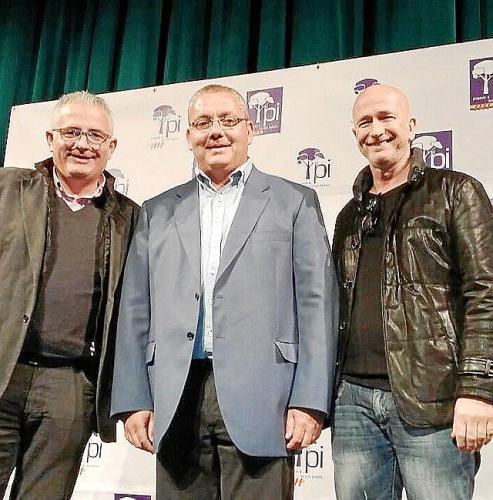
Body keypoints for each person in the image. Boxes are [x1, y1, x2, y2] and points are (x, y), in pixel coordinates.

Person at [111, 83, 338, 499]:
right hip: (175, 395)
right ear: (188, 136)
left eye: (228, 120)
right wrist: (132, 398)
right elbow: (135, 310)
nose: (216, 131)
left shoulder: (294, 201)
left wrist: (310, 400)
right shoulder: (157, 211)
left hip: (266, 396)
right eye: (203, 123)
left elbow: (317, 304)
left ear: (250, 129)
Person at [331, 84, 493, 499]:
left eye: (387, 118)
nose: (377, 130)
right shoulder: (348, 215)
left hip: (434, 399)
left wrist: (477, 389)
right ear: (355, 134)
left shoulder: (456, 191)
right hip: (353, 403)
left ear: (411, 126)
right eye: (365, 122)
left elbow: (485, 292)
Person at [0, 91, 139, 499]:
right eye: (71, 132)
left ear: (111, 146)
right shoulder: (7, 188)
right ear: (50, 138)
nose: (82, 144)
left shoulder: (130, 217)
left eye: (95, 135)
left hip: (71, 386)